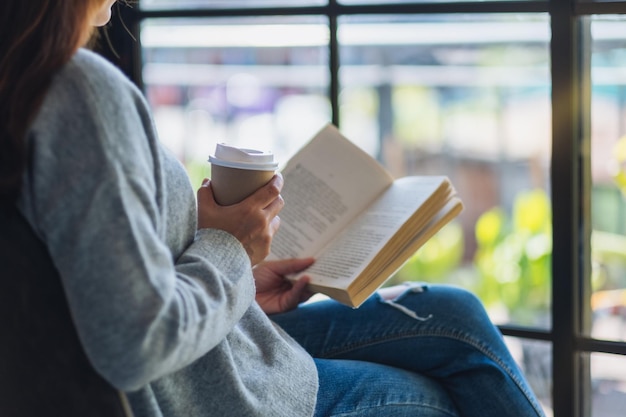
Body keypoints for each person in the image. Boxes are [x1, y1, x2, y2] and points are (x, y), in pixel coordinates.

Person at [0, 1, 547, 416]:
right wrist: (228, 248)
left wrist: (240, 274)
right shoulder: (80, 93)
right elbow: (133, 343)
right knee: (435, 396)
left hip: (220, 343)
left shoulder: (36, 85)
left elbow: (96, 277)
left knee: (454, 313)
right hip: (214, 386)